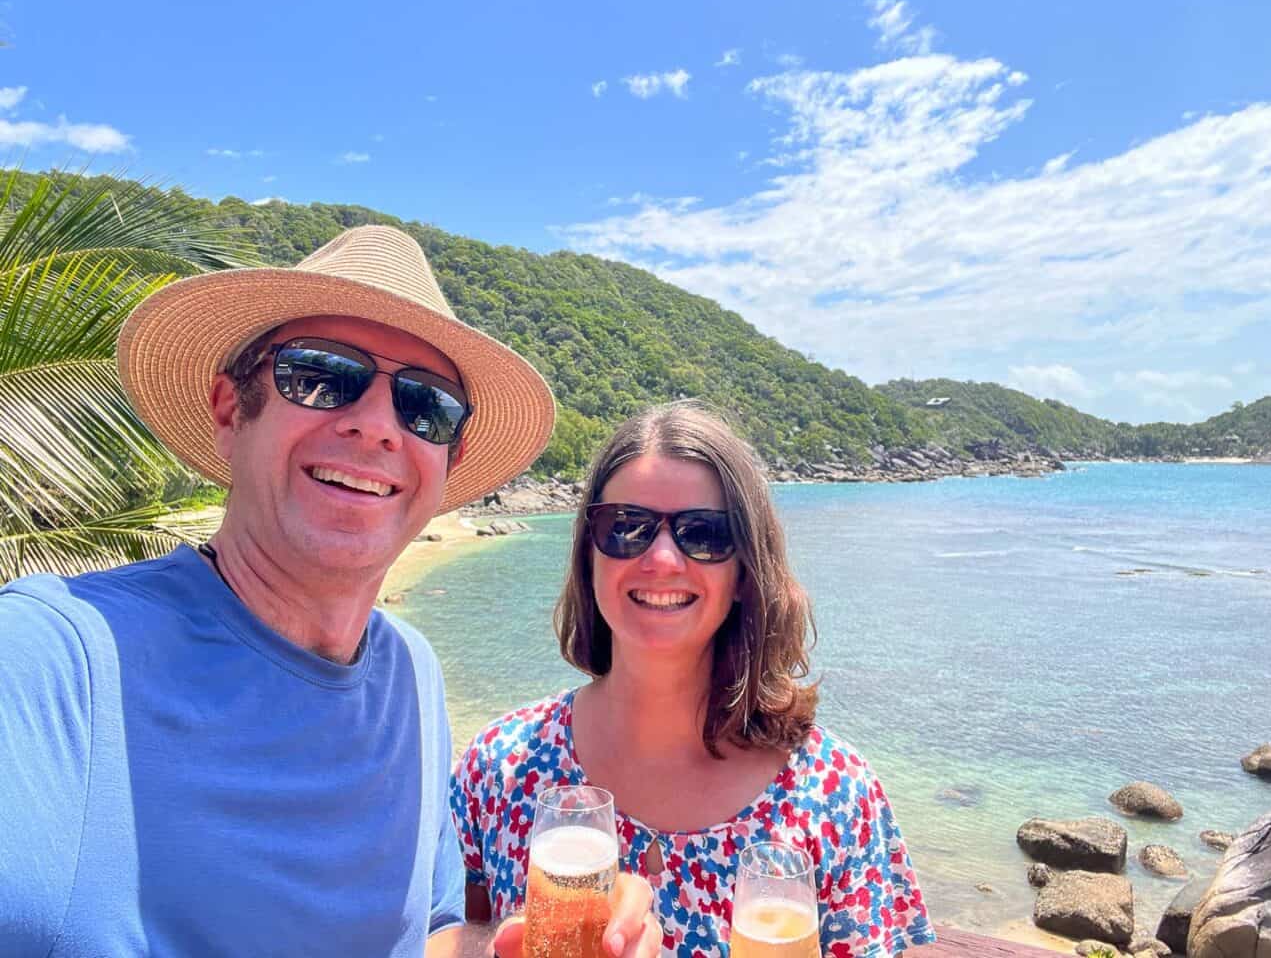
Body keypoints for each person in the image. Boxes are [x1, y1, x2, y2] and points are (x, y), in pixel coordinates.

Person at [0, 225, 661, 958]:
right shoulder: (52, 666)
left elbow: (429, 934)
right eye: (319, 375)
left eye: (426, 405)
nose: (377, 425)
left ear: (449, 457)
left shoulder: (410, 672)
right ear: (230, 409)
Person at [452, 401, 935, 957]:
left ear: (745, 573)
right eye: (625, 528)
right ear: (589, 555)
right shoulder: (499, 769)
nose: (661, 558)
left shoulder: (836, 794)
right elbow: (441, 932)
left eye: (703, 534)